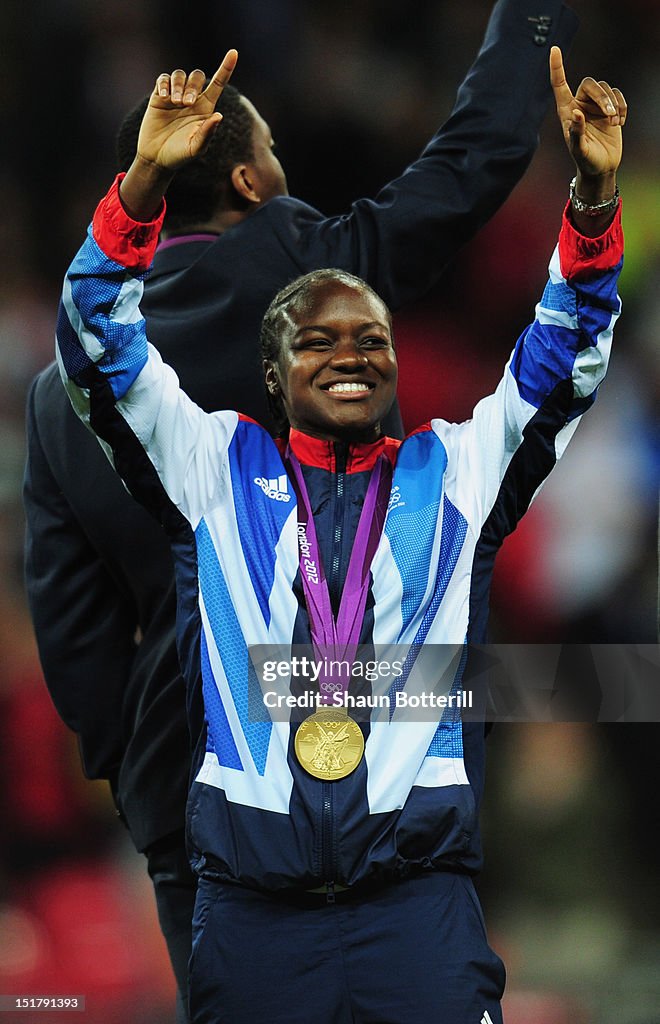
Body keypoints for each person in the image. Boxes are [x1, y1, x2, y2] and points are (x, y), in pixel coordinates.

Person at [23, 3, 578, 1017]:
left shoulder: (63, 382)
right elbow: (471, 163)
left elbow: (69, 615)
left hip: (186, 781)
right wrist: (533, 17)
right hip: (369, 744)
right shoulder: (312, 275)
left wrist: (140, 767)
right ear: (245, 179)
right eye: (273, 151)